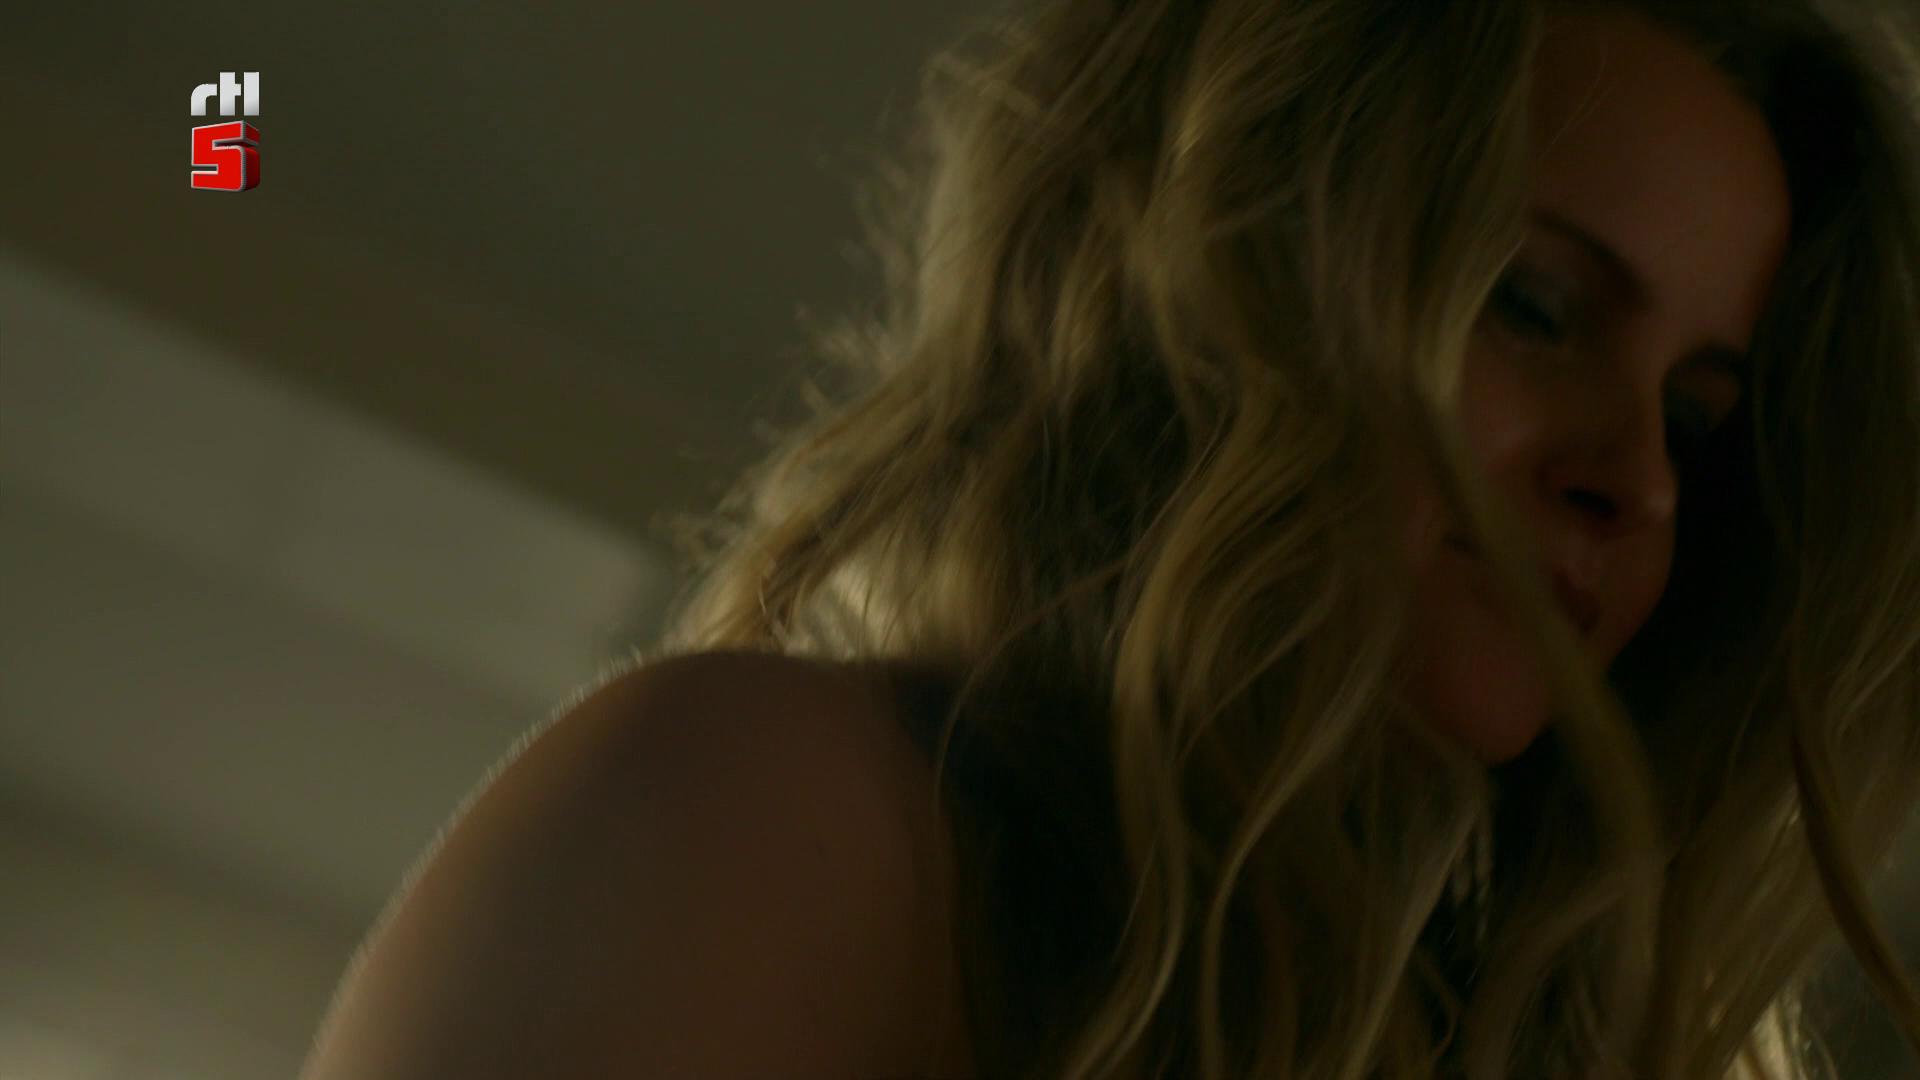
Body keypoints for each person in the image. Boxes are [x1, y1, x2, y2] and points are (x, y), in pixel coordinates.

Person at [298, 1, 1920, 1077]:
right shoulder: (782, 807)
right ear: (1232, 277)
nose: (1636, 478)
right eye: (1533, 304)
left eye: (1697, 417)